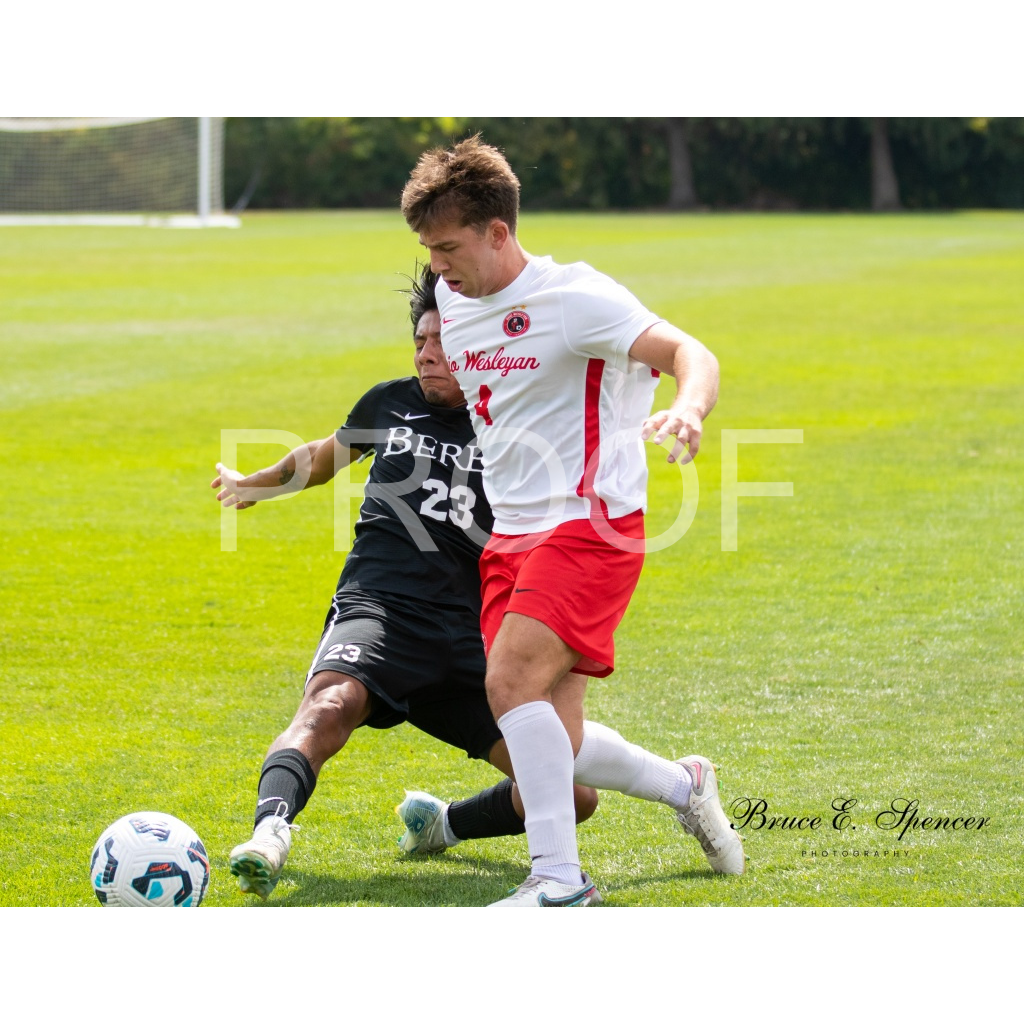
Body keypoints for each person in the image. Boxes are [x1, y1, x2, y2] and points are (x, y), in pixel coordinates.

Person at [401, 136, 745, 907]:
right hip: (511, 535)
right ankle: (685, 785)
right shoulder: (453, 300)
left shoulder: (578, 299)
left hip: (592, 525)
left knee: (509, 682)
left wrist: (688, 408)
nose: (438, 266)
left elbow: (690, 351)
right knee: (560, 738)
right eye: (428, 250)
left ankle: (558, 882)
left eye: (449, 247)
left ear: (498, 232)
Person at [216, 265, 599, 899]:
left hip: (471, 637)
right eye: (420, 342)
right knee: (328, 705)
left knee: (573, 795)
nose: (426, 354)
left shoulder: (512, 423)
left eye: (442, 341)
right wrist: (255, 484)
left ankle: (442, 825)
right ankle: (270, 833)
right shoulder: (388, 403)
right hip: (380, 611)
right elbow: (320, 459)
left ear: (478, 347)